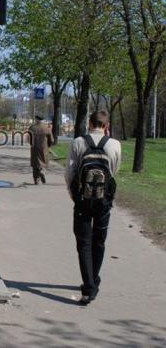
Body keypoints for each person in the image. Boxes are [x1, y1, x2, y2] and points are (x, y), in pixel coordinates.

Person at [65, 110, 121, 305]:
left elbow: (70, 172)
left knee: (84, 243)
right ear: (106, 126)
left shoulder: (79, 143)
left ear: (89, 124)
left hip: (82, 200)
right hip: (104, 200)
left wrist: (74, 194)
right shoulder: (114, 144)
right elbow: (114, 171)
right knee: (99, 241)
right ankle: (93, 280)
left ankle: (89, 287)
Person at [29, 115, 54, 184]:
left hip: (34, 148)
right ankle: (40, 173)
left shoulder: (32, 128)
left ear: (36, 120)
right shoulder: (46, 128)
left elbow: (29, 139)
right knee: (42, 163)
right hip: (43, 149)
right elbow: (51, 140)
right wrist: (48, 146)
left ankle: (36, 179)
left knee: (35, 164)